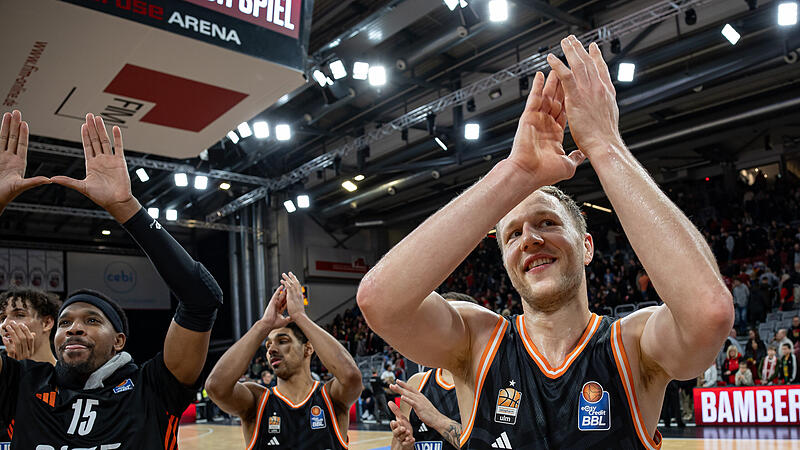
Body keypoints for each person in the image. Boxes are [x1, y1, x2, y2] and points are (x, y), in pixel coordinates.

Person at [357, 36, 733, 449]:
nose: (531, 239)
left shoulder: (633, 345)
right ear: (505, 261)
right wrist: (517, 172)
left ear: (587, 246)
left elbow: (708, 313)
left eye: (548, 223)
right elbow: (381, 301)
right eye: (512, 234)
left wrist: (606, 146)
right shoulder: (477, 342)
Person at [0, 111, 223, 448]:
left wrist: (125, 207)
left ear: (119, 340)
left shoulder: (152, 388)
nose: (74, 328)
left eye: (92, 320)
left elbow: (201, 297)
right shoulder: (20, 383)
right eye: (65, 322)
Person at [205, 272, 362, 449]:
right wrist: (262, 326)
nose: (271, 349)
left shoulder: (331, 397)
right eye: (268, 345)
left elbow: (351, 376)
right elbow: (215, 387)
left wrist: (301, 318)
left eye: (283, 341)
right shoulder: (256, 401)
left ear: (308, 348)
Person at [388, 292, 477, 450]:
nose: (439, 327)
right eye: (436, 320)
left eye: (449, 320)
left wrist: (436, 419)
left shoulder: (488, 382)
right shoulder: (417, 383)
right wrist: (404, 444)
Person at [0, 289, 62, 446]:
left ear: (47, 323)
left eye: (19, 315)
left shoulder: (70, 378)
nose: (6, 324)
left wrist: (26, 373)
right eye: (2, 318)